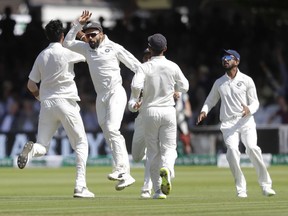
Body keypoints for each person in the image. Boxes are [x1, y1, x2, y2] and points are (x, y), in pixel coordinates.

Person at [63, 10, 141, 190]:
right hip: (101, 96)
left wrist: (139, 92)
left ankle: (121, 168)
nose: (90, 38)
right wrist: (78, 25)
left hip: (116, 93)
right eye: (88, 35)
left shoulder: (114, 47)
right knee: (108, 131)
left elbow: (137, 66)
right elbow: (67, 43)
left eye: (93, 35)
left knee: (113, 129)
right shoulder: (86, 48)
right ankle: (125, 173)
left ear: (102, 34)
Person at [17, 19, 94, 198]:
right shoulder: (66, 53)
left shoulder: (42, 55)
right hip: (66, 102)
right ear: (61, 35)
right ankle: (80, 186)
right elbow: (89, 54)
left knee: (42, 145)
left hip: (47, 104)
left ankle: (32, 150)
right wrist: (80, 32)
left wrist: (39, 97)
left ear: (47, 36)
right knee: (81, 143)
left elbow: (31, 84)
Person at [196, 49, 276, 198]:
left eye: (228, 57)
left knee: (252, 148)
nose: (225, 60)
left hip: (246, 121)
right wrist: (204, 111)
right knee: (232, 152)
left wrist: (249, 109)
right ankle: (241, 189)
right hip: (228, 123)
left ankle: (266, 185)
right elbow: (210, 100)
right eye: (223, 58)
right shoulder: (219, 82)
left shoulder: (247, 80)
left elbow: (255, 102)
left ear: (237, 62)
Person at [129, 33, 189, 199]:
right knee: (169, 148)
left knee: (153, 152)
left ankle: (157, 191)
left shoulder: (145, 67)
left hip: (149, 112)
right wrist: (177, 91)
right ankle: (168, 170)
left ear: (149, 49)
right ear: (165, 49)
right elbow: (185, 85)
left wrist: (136, 97)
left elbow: (135, 85)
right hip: (168, 111)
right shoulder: (172, 66)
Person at [128, 48, 152, 198]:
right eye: (146, 57)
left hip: (156, 116)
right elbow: (131, 101)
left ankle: (147, 188)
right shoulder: (139, 76)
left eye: (151, 56)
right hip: (141, 119)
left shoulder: (164, 71)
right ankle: (155, 164)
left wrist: (177, 94)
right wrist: (134, 106)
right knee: (137, 156)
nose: (148, 59)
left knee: (152, 151)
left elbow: (179, 87)